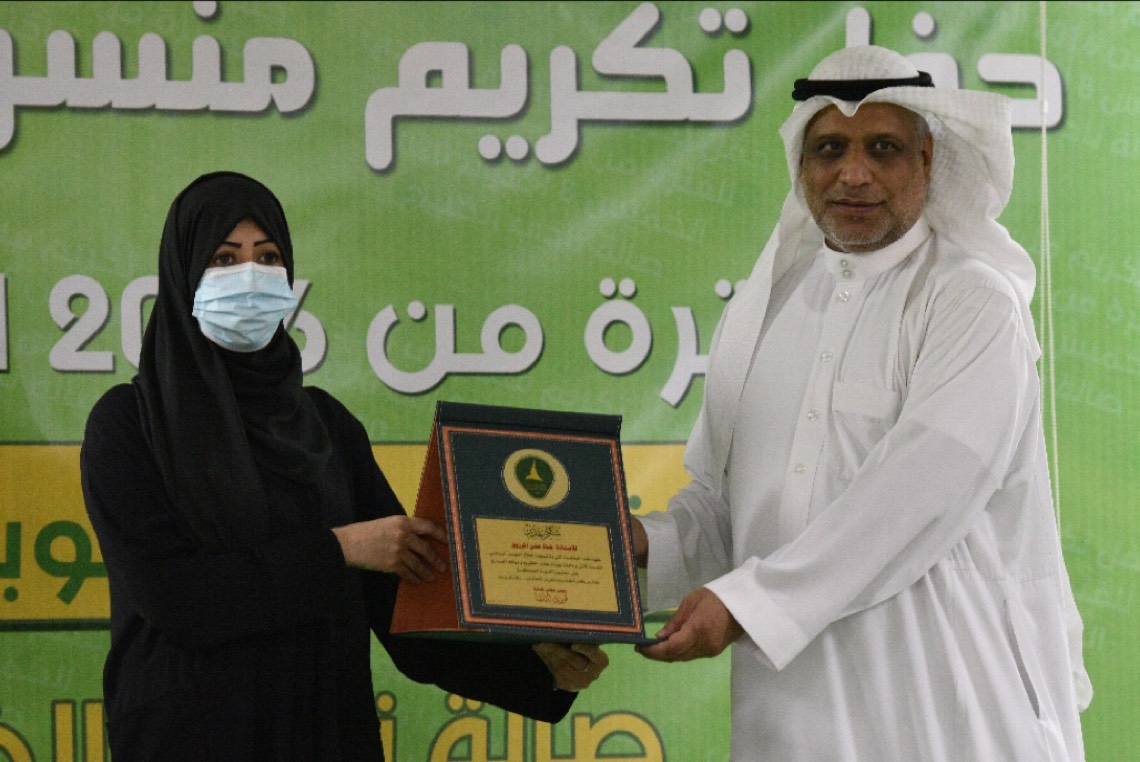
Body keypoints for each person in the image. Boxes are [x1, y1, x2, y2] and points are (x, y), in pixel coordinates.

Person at [631, 45, 1092, 760]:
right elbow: (729, 514)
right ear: (800, 164)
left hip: (950, 708)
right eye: (830, 149)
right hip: (793, 717)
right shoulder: (763, 311)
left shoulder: (972, 300)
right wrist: (633, 551)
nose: (854, 173)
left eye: (883, 148)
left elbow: (917, 495)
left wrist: (748, 604)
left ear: (927, 160)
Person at [80, 171, 608, 761]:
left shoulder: (326, 426)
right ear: (182, 276)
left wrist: (537, 666)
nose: (249, 277)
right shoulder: (129, 425)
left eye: (268, 257)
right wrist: (339, 549)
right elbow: (176, 598)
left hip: (325, 732)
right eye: (224, 259)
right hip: (190, 740)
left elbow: (404, 609)